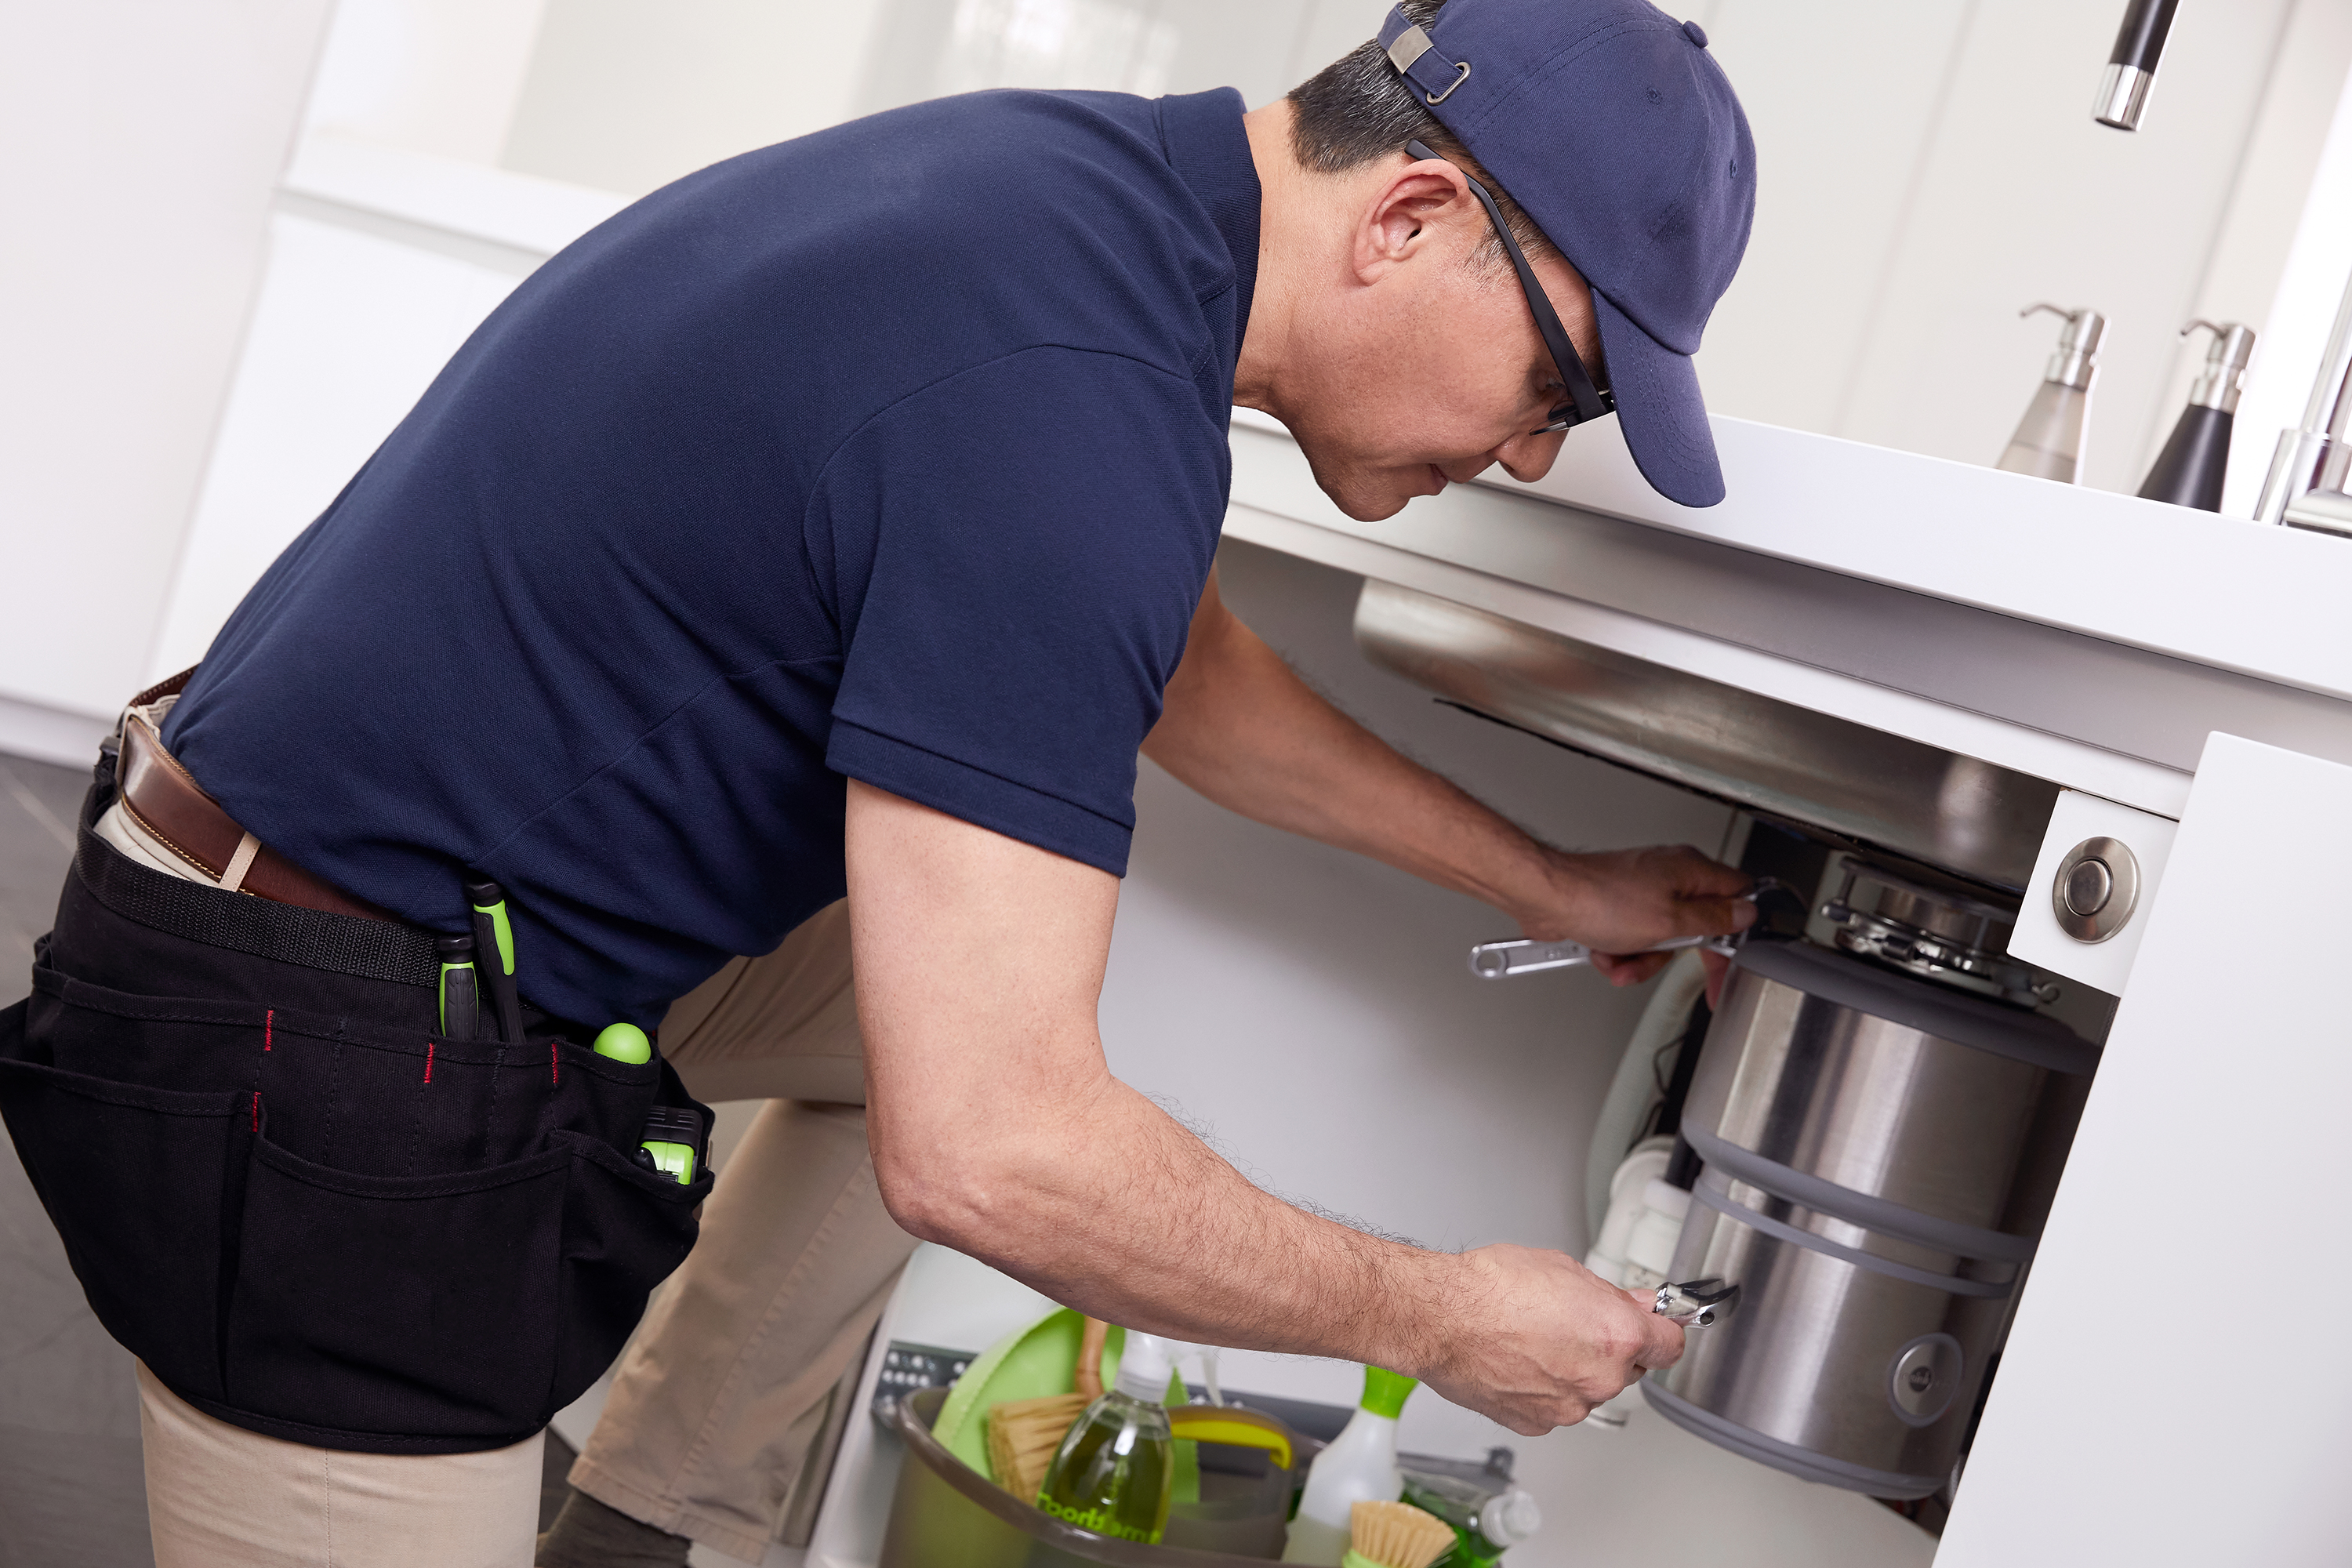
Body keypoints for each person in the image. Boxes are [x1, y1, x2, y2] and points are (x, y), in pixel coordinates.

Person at [0, 0, 1757, 1563]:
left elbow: (1180, 670)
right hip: (309, 1068)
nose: (1527, 451)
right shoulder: (1072, 413)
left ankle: (639, 1520)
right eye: (1564, 386)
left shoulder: (1096, 209)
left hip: (370, 913)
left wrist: (1542, 877)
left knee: (911, 1001)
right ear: (1412, 218)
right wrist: (1440, 1316)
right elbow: (992, 1156)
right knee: (1003, 1089)